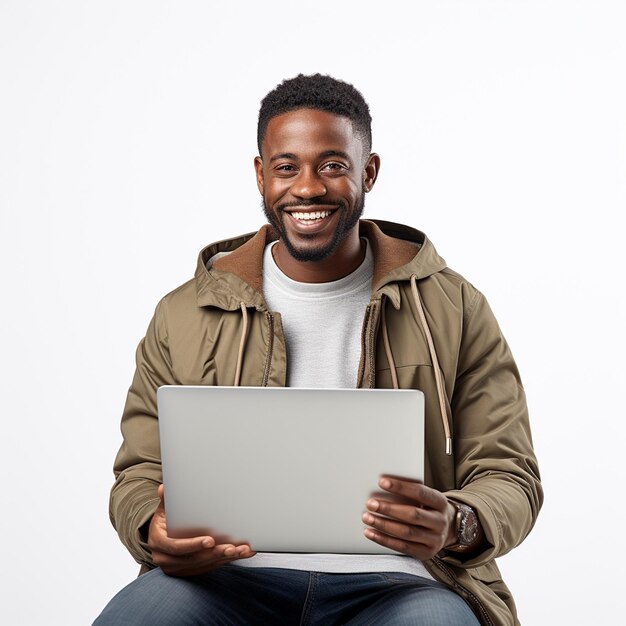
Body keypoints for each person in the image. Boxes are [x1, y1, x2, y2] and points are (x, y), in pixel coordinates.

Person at [94, 74, 542, 626]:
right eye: (286, 167)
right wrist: (151, 528)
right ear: (261, 175)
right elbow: (139, 474)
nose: (307, 189)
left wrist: (458, 522)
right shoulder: (183, 313)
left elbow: (509, 473)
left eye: (333, 165)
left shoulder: (455, 307)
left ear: (368, 172)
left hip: (402, 584)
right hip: (225, 578)